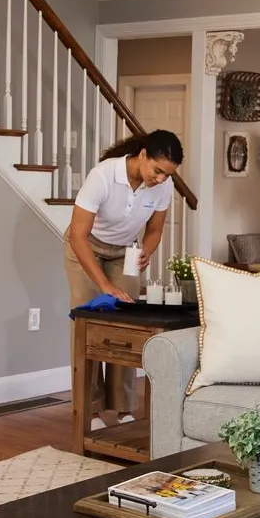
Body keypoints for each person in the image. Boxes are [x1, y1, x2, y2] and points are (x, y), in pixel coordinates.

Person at [65, 129, 184, 421]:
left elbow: (155, 230)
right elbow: (78, 236)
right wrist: (104, 285)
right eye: (157, 171)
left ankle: (122, 407)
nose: (160, 179)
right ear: (142, 154)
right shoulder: (103, 175)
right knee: (87, 322)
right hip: (85, 246)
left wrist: (146, 251)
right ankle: (89, 408)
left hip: (124, 251)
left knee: (128, 323)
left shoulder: (162, 187)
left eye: (167, 175)